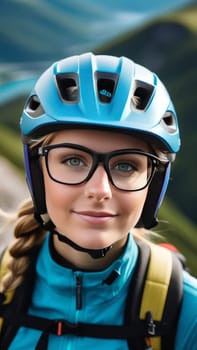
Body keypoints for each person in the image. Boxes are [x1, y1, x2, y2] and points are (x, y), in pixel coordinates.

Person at [0, 52, 196, 350]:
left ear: (153, 185)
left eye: (126, 165)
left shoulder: (188, 316)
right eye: (74, 160)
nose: (100, 189)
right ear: (38, 173)